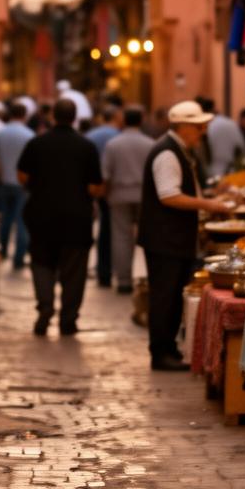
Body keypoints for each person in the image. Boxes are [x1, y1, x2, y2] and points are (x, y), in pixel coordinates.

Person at [137, 100, 232, 371]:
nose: (203, 131)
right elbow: (169, 196)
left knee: (170, 293)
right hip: (166, 238)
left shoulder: (179, 150)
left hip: (172, 237)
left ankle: (168, 348)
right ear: (185, 127)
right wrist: (209, 205)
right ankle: (161, 352)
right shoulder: (167, 153)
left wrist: (210, 198)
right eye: (199, 126)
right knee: (164, 295)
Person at [17, 98, 104, 336]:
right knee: (74, 272)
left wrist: (39, 184)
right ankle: (68, 319)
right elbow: (96, 186)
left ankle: (45, 308)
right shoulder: (86, 146)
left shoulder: (37, 143)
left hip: (41, 215)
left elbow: (22, 176)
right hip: (77, 218)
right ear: (74, 117)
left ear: (53, 116)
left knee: (41, 264)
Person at [101, 105, 154, 294]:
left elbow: (106, 174)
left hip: (119, 194)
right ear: (141, 120)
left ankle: (123, 280)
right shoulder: (149, 144)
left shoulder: (113, 144)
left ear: (124, 120)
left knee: (120, 237)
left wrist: (106, 194)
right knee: (147, 236)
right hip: (143, 195)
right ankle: (148, 276)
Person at [0, 101, 34, 270]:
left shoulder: (0, 133)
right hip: (22, 184)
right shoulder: (29, 134)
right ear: (25, 115)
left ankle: (2, 252)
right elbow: (32, 164)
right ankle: (18, 258)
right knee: (22, 221)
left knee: (6, 219)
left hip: (4, 182)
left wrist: (0, 176)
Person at [86, 105, 122, 287]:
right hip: (114, 190)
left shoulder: (91, 135)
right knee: (116, 232)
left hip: (94, 188)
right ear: (116, 116)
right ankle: (114, 270)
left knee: (103, 231)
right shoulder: (118, 137)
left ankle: (103, 271)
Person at [201, 98, 245, 180]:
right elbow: (241, 147)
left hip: (211, 173)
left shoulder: (206, 127)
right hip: (232, 170)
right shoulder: (231, 123)